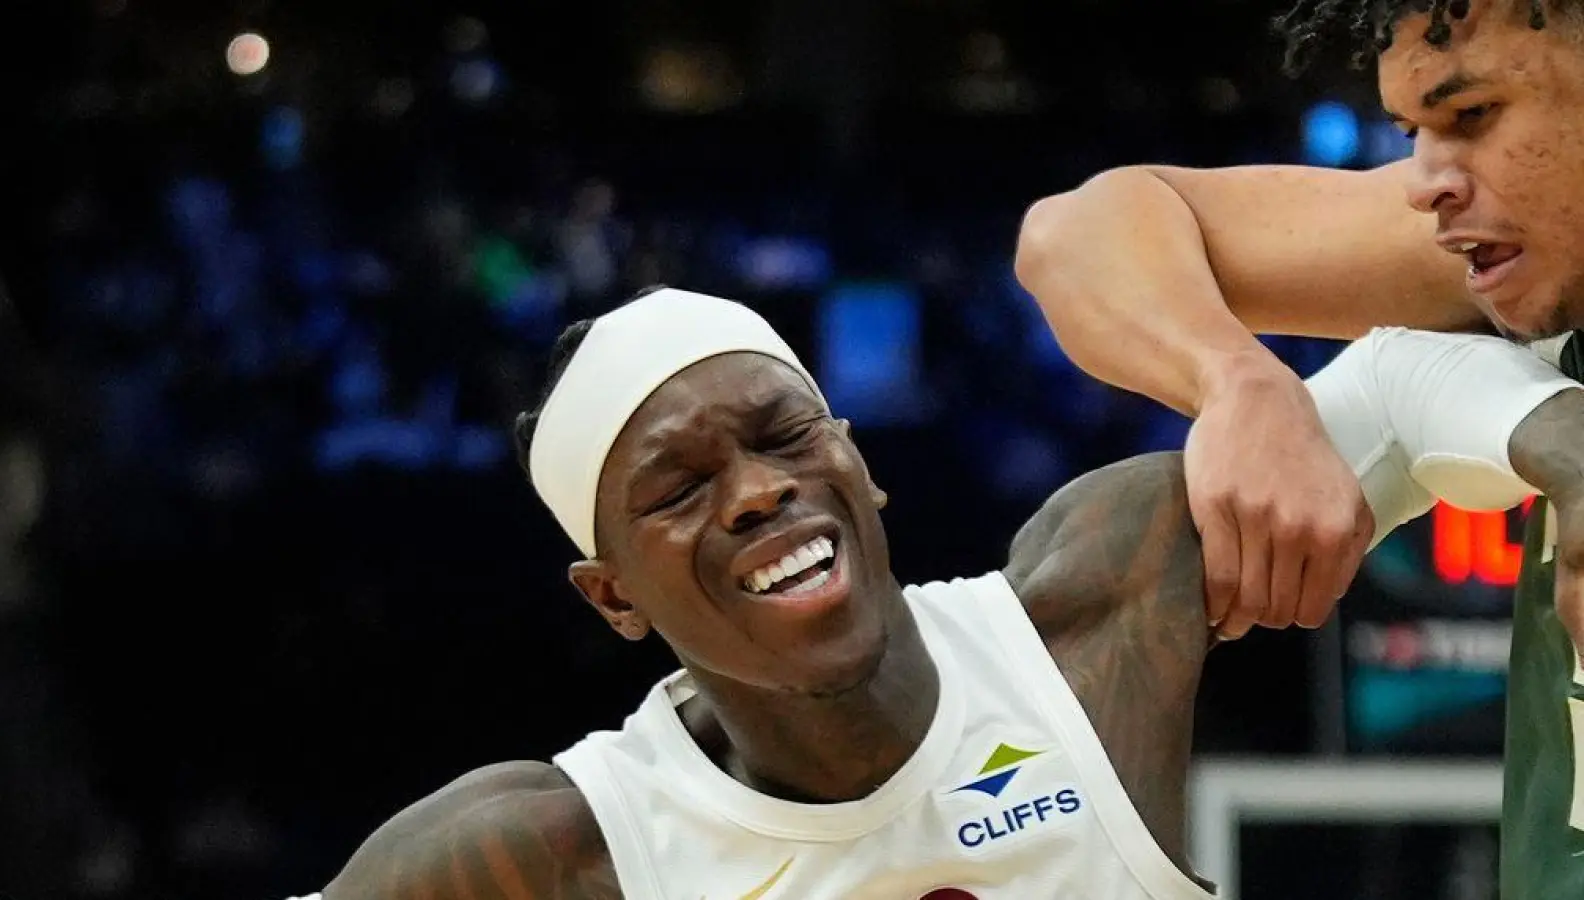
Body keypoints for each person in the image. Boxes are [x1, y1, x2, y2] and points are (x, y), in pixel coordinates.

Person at [298, 285, 1584, 899]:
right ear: (611, 596)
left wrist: (1574, 461)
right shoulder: (550, 853)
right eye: (679, 489)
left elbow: (1400, 391)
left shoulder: (1087, 618)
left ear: (858, 460)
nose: (757, 492)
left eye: (786, 435)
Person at [1013, 1, 1584, 895]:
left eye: (1472, 115)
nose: (1424, 183)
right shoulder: (1509, 245)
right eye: (1415, 131)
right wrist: (1239, 382)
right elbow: (1072, 236)